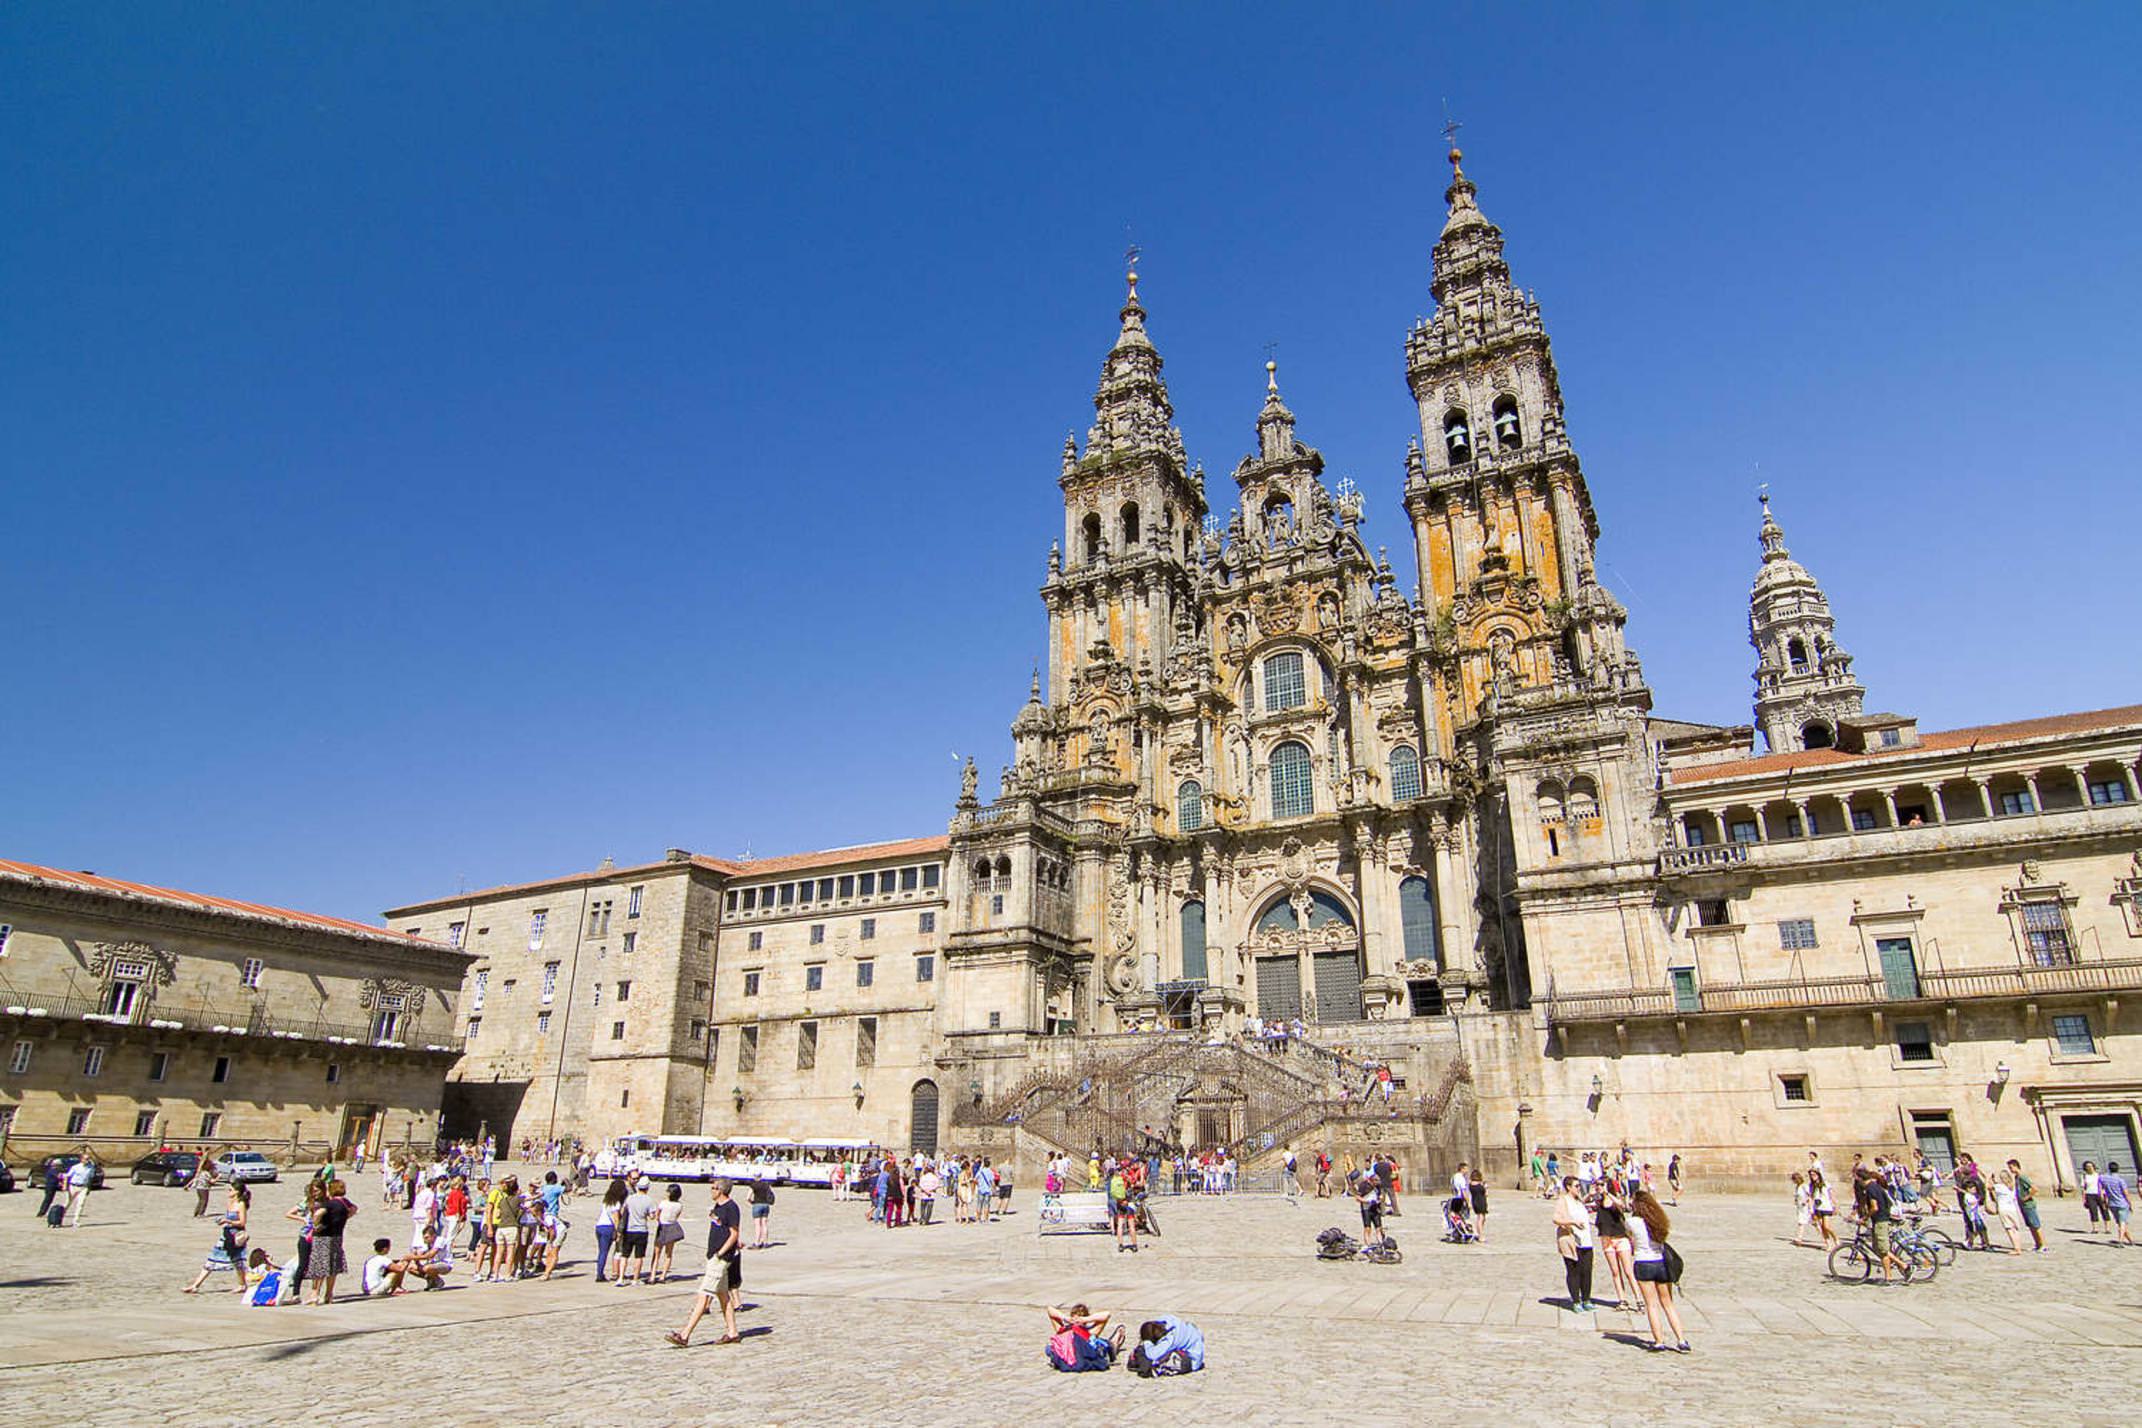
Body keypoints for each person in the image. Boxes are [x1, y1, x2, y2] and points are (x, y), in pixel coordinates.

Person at [666, 1179, 742, 1347]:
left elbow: (734, 1233)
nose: (711, 1191)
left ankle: (685, 1334)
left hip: (720, 1258)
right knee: (723, 1296)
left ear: (721, 1190)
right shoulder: (717, 1207)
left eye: (713, 1188)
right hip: (713, 1256)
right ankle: (733, 1332)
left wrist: (720, 1253)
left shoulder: (731, 1208)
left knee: (704, 1295)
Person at [1626, 1189, 1690, 1353]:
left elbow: (1630, 1239)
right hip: (1661, 1262)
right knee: (1668, 1304)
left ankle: (1659, 1341)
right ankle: (1681, 1340)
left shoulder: (1632, 1222)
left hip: (1643, 1262)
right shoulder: (1659, 1221)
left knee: (1651, 1305)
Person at [184, 1183, 253, 1294]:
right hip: (226, 1234)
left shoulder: (241, 1204)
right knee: (213, 1259)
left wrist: (228, 1221)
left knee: (237, 1261)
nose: (229, 1192)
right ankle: (196, 1285)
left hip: (235, 1236)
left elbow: (242, 1222)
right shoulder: (230, 1203)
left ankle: (242, 1285)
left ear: (237, 1192)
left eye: (231, 1190)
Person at [304, 1178, 355, 1305]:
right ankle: (329, 1294)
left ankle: (315, 1294)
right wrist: (344, 1218)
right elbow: (354, 1209)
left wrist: (316, 1225)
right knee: (333, 1266)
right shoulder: (345, 1203)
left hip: (323, 1237)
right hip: (337, 1237)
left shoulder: (329, 1203)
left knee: (320, 1266)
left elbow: (317, 1214)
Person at [1553, 1175, 1597, 1312]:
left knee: (1587, 1271)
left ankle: (1586, 1299)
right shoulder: (1563, 1201)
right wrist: (1573, 1223)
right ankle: (1576, 1301)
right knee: (1574, 1271)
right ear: (1568, 1187)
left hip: (1585, 1241)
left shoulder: (1578, 1201)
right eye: (1576, 1186)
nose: (1579, 1188)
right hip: (1571, 1241)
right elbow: (1556, 1219)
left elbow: (1583, 1216)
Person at [1044, 1304, 1125, 1372]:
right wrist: (1085, 1319)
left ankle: (1114, 1343)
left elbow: (1050, 1310)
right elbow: (1107, 1314)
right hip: (1083, 1354)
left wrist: (1068, 1318)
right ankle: (1114, 1343)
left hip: (1069, 1357)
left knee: (1050, 1347)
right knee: (1102, 1344)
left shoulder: (1063, 1331)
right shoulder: (1089, 1332)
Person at [1131, 1316, 1205, 1376]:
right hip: (1196, 1342)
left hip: (1192, 1359)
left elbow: (1151, 1355)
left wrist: (1146, 1342)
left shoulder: (1169, 1340)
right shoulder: (1167, 1319)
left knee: (1150, 1357)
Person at [617, 1178, 655, 1283]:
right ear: (647, 1188)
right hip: (642, 1230)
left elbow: (623, 1210)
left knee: (625, 1255)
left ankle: (620, 1277)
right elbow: (652, 1216)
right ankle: (635, 1279)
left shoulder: (630, 1199)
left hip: (629, 1229)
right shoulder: (649, 1200)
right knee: (639, 1256)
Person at [2007, 1159, 2045, 1253]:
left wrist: (2026, 1197)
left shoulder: (2023, 1177)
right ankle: (2037, 1244)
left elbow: (2034, 1189)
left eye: (2011, 1167)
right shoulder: (2017, 1177)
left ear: (2016, 1166)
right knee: (2031, 1226)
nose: (2010, 1170)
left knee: (2036, 1225)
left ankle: (2043, 1245)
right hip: (2022, 1205)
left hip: (2029, 1205)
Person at [650, 1182, 685, 1281]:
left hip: (663, 1226)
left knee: (657, 1253)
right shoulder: (679, 1205)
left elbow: (657, 1215)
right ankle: (663, 1275)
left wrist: (658, 1219)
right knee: (668, 1253)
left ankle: (652, 1275)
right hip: (672, 1226)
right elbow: (677, 1216)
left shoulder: (663, 1203)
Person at [2101, 1161, 2134, 1245]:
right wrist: (2130, 1204)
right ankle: (2120, 1240)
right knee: (2122, 1223)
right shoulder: (2120, 1180)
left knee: (2120, 1223)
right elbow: (2126, 1193)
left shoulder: (2104, 1179)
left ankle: (2130, 1241)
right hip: (2122, 1203)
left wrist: (2105, 1202)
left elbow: (2102, 1191)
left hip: (2112, 1204)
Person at [1354, 1166, 1387, 1249]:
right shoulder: (1364, 1185)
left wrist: (1381, 1198)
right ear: (1372, 1181)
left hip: (1375, 1208)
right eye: (1377, 1181)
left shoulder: (1378, 1186)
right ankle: (1368, 1245)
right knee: (1367, 1228)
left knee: (1378, 1228)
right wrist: (1367, 1201)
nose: (1378, 1183)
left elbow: (1381, 1195)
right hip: (1366, 1209)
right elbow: (1357, 1198)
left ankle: (1381, 1244)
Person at [1110, 1163, 1139, 1254]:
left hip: (1120, 1202)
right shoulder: (1128, 1175)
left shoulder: (1117, 1176)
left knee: (1120, 1224)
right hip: (1128, 1202)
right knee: (1131, 1225)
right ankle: (1134, 1245)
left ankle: (1121, 1245)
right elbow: (1134, 1182)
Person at [63, 1154, 97, 1226]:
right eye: (85, 1159)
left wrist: (89, 1189)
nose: (87, 1160)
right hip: (73, 1186)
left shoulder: (91, 1168)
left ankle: (76, 1221)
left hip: (83, 1187)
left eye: (88, 1159)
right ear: (81, 1159)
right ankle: (60, 1218)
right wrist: (65, 1186)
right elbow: (68, 1175)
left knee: (81, 1204)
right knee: (67, 1203)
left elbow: (90, 1178)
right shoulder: (76, 1167)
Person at [749, 1177, 776, 1246]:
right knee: (764, 1224)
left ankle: (757, 1242)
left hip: (757, 1204)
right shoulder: (766, 1185)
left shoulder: (753, 1185)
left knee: (758, 1225)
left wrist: (751, 1202)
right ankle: (765, 1242)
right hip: (766, 1205)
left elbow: (748, 1197)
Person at [2081, 1160, 2104, 1230]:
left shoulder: (2099, 1175)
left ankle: (2107, 1228)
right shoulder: (2084, 1176)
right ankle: (2095, 1228)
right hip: (2089, 1194)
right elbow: (2083, 1188)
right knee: (2093, 1211)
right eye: (2087, 1166)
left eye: (2091, 1166)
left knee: (2104, 1210)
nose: (2089, 1168)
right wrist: (2084, 1199)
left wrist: (2103, 1194)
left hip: (2099, 1194)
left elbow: (2103, 1185)